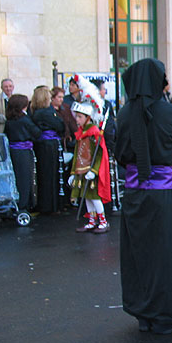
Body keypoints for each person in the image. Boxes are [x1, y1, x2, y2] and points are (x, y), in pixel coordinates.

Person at [115, 58, 172, 335]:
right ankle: (167, 316)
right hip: (167, 196)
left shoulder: (124, 114)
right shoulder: (171, 113)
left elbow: (120, 154)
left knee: (139, 255)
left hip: (135, 195)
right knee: (170, 255)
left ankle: (144, 313)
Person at [68, 77, 111, 233]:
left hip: (91, 171)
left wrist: (94, 171)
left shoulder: (94, 133)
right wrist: (73, 172)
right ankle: (92, 221)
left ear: (87, 117)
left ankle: (103, 222)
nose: (77, 120)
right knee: (86, 197)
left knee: (94, 197)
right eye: (76, 116)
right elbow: (77, 155)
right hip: (82, 170)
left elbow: (99, 154)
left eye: (79, 117)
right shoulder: (81, 133)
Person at [31, 85, 67, 214]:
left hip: (42, 144)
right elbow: (60, 125)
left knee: (43, 174)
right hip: (49, 145)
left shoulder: (34, 111)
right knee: (51, 174)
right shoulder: (46, 112)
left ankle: (46, 204)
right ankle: (51, 205)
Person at [4, 94, 41, 211]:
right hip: (24, 151)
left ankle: (19, 203)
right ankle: (24, 205)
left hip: (13, 150)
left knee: (17, 177)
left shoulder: (9, 120)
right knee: (25, 178)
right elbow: (36, 133)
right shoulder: (24, 119)